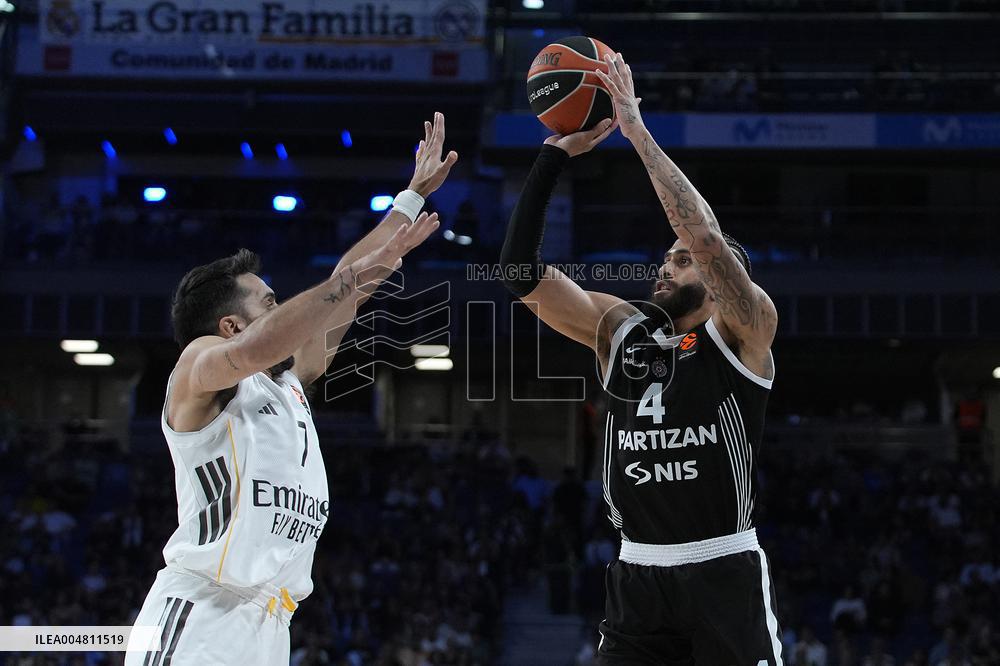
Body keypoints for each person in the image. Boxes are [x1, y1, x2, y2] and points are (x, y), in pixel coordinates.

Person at [125, 113, 457, 665]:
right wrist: (351, 279)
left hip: (271, 622)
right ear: (230, 324)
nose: (285, 312)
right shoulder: (199, 366)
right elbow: (305, 312)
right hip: (202, 614)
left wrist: (408, 200)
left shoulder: (284, 382)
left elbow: (341, 293)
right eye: (269, 303)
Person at [500, 53, 781, 664]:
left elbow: (705, 237)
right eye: (666, 256)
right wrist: (551, 159)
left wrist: (636, 130)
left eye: (680, 261)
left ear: (717, 280)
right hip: (637, 571)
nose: (666, 264)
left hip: (720, 565)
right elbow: (520, 274)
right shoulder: (620, 331)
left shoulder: (744, 332)